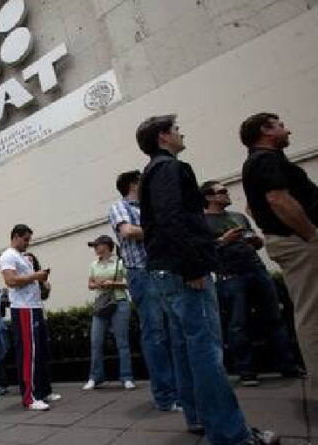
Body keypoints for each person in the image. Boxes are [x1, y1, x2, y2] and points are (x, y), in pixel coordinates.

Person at [137, 114, 278, 444]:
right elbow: (174, 219)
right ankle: (232, 435)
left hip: (165, 271)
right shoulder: (171, 168)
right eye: (175, 130)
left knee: (188, 350)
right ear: (163, 137)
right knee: (206, 354)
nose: (181, 133)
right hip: (183, 272)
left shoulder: (151, 174)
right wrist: (194, 267)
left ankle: (200, 417)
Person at [240, 112, 318, 399]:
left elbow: (253, 207)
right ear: (266, 131)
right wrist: (311, 235)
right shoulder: (264, 159)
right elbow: (277, 199)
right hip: (299, 242)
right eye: (281, 125)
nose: (288, 130)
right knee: (313, 315)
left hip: (293, 240)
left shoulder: (260, 162)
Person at [202, 180, 302, 386]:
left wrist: (256, 242)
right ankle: (246, 372)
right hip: (229, 276)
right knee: (238, 325)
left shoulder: (238, 217)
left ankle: (288, 366)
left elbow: (255, 240)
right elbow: (203, 253)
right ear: (209, 197)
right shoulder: (202, 222)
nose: (227, 194)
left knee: (275, 319)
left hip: (256, 270)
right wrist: (223, 241)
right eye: (222, 191)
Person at [109, 170, 177, 409]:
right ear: (133, 184)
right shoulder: (120, 206)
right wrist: (161, 229)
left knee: (172, 331)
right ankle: (166, 396)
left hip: (163, 271)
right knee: (155, 332)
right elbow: (128, 231)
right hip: (141, 273)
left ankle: (180, 391)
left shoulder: (151, 207)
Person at [0, 224, 60, 411]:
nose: (27, 243)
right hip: (23, 309)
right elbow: (10, 281)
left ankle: (43, 391)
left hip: (34, 307)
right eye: (25, 239)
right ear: (16, 237)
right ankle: (30, 397)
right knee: (29, 354)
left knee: (40, 351)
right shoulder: (8, 255)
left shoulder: (22, 257)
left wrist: (40, 281)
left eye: (28, 240)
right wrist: (36, 276)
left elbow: (26, 282)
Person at [83, 235, 135, 390]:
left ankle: (126, 377)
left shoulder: (120, 262)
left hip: (119, 302)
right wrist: (97, 284)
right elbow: (90, 284)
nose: (95, 248)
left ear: (106, 246)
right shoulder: (94, 264)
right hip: (101, 304)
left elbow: (129, 283)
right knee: (96, 341)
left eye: (96, 245)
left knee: (122, 341)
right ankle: (94, 377)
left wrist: (113, 283)